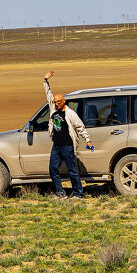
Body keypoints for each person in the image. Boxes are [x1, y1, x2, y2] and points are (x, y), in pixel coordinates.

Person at [43, 70, 94, 198]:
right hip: (56, 146)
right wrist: (45, 81)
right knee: (53, 169)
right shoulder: (53, 109)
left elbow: (80, 127)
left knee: (72, 170)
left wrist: (87, 140)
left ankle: (78, 194)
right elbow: (48, 94)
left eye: (58, 102)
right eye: (55, 102)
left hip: (67, 145)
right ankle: (60, 193)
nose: (56, 104)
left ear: (63, 101)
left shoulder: (70, 114)